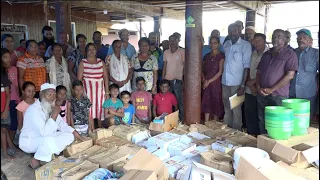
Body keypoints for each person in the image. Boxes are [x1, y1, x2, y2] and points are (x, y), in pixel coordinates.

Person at [19, 83, 84, 169]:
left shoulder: (50, 106)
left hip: (45, 137)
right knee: (49, 140)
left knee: (69, 135)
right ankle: (35, 160)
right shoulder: (33, 110)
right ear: (42, 94)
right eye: (49, 95)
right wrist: (55, 114)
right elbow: (44, 133)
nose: (52, 98)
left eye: (54, 95)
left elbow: (61, 124)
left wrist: (74, 131)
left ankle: (46, 153)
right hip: (30, 140)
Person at [256, 29, 298, 134]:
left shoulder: (290, 54)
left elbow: (290, 75)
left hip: (278, 95)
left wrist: (272, 89)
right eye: (274, 36)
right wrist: (257, 87)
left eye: (279, 37)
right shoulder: (266, 54)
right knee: (263, 120)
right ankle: (264, 143)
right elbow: (259, 72)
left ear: (284, 40)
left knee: (277, 123)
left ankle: (276, 147)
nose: (276, 38)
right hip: (262, 94)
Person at [222, 23, 252, 131]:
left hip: (237, 83)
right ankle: (227, 131)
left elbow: (246, 66)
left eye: (235, 30)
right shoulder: (226, 44)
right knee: (227, 108)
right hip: (225, 82)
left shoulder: (245, 45)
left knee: (236, 109)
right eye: (230, 31)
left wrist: (242, 85)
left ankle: (236, 133)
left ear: (240, 31)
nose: (232, 33)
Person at [77, 43, 109, 128]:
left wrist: (107, 92)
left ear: (96, 50)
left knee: (100, 109)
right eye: (89, 49)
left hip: (100, 91)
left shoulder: (101, 62)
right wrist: (81, 92)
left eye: (93, 49)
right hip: (87, 90)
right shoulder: (83, 62)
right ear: (86, 51)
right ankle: (91, 130)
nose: (91, 51)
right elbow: (79, 79)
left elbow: (105, 77)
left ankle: (99, 127)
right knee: (89, 109)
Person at [289, 29, 319, 118]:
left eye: (304, 37)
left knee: (305, 123)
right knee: (291, 121)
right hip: (291, 94)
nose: (301, 39)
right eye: (299, 37)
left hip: (308, 95)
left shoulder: (316, 54)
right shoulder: (292, 53)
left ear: (310, 40)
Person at [244, 33, 269, 136]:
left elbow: (264, 72)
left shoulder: (269, 54)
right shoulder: (253, 53)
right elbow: (250, 69)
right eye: (255, 40)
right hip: (250, 87)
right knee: (249, 111)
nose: (257, 43)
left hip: (261, 87)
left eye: (259, 40)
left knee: (260, 114)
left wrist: (254, 84)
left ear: (264, 41)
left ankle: (260, 137)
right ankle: (250, 135)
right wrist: (250, 85)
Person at [201, 36, 225, 122]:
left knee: (216, 102)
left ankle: (214, 124)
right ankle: (206, 124)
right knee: (206, 101)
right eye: (211, 43)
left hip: (216, 83)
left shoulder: (221, 56)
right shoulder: (206, 56)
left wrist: (209, 81)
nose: (212, 45)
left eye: (215, 43)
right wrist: (204, 80)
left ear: (218, 44)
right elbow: (201, 69)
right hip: (206, 82)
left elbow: (220, 71)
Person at [163, 34, 185, 122]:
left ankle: (181, 119)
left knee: (179, 101)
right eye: (170, 40)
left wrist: (184, 79)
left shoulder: (182, 51)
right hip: (167, 80)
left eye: (174, 40)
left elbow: (185, 66)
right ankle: (170, 119)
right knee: (168, 101)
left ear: (178, 41)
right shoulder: (166, 52)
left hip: (178, 80)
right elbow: (164, 66)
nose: (172, 42)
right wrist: (163, 78)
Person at [1, 48, 17, 159]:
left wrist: (5, 109)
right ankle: (8, 146)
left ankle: (7, 149)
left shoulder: (5, 74)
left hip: (4, 105)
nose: (8, 59)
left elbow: (8, 94)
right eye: (5, 57)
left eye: (9, 56)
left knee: (5, 128)